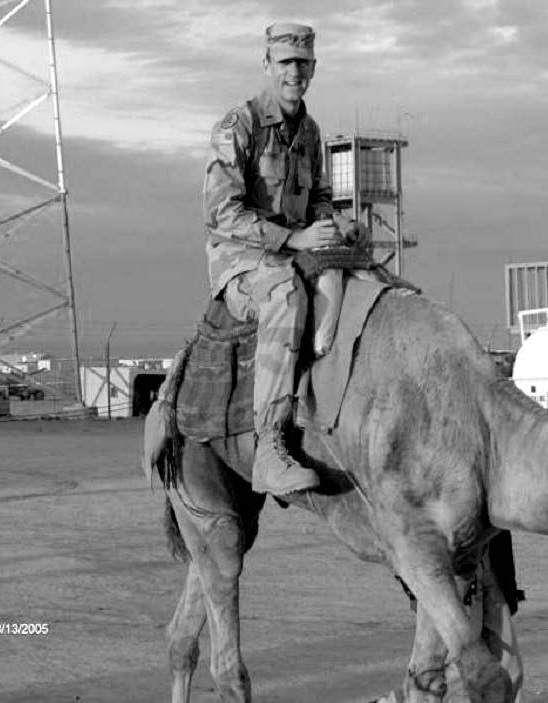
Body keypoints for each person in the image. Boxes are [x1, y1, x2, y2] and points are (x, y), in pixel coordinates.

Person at [203, 23, 364, 495]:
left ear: (314, 67)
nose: (295, 72)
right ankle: (270, 448)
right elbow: (219, 213)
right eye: (285, 63)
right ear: (267, 65)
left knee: (361, 279)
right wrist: (293, 239)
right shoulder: (240, 126)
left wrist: (335, 224)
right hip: (242, 263)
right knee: (287, 295)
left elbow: (318, 197)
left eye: (303, 63)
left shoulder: (310, 131)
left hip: (296, 248)